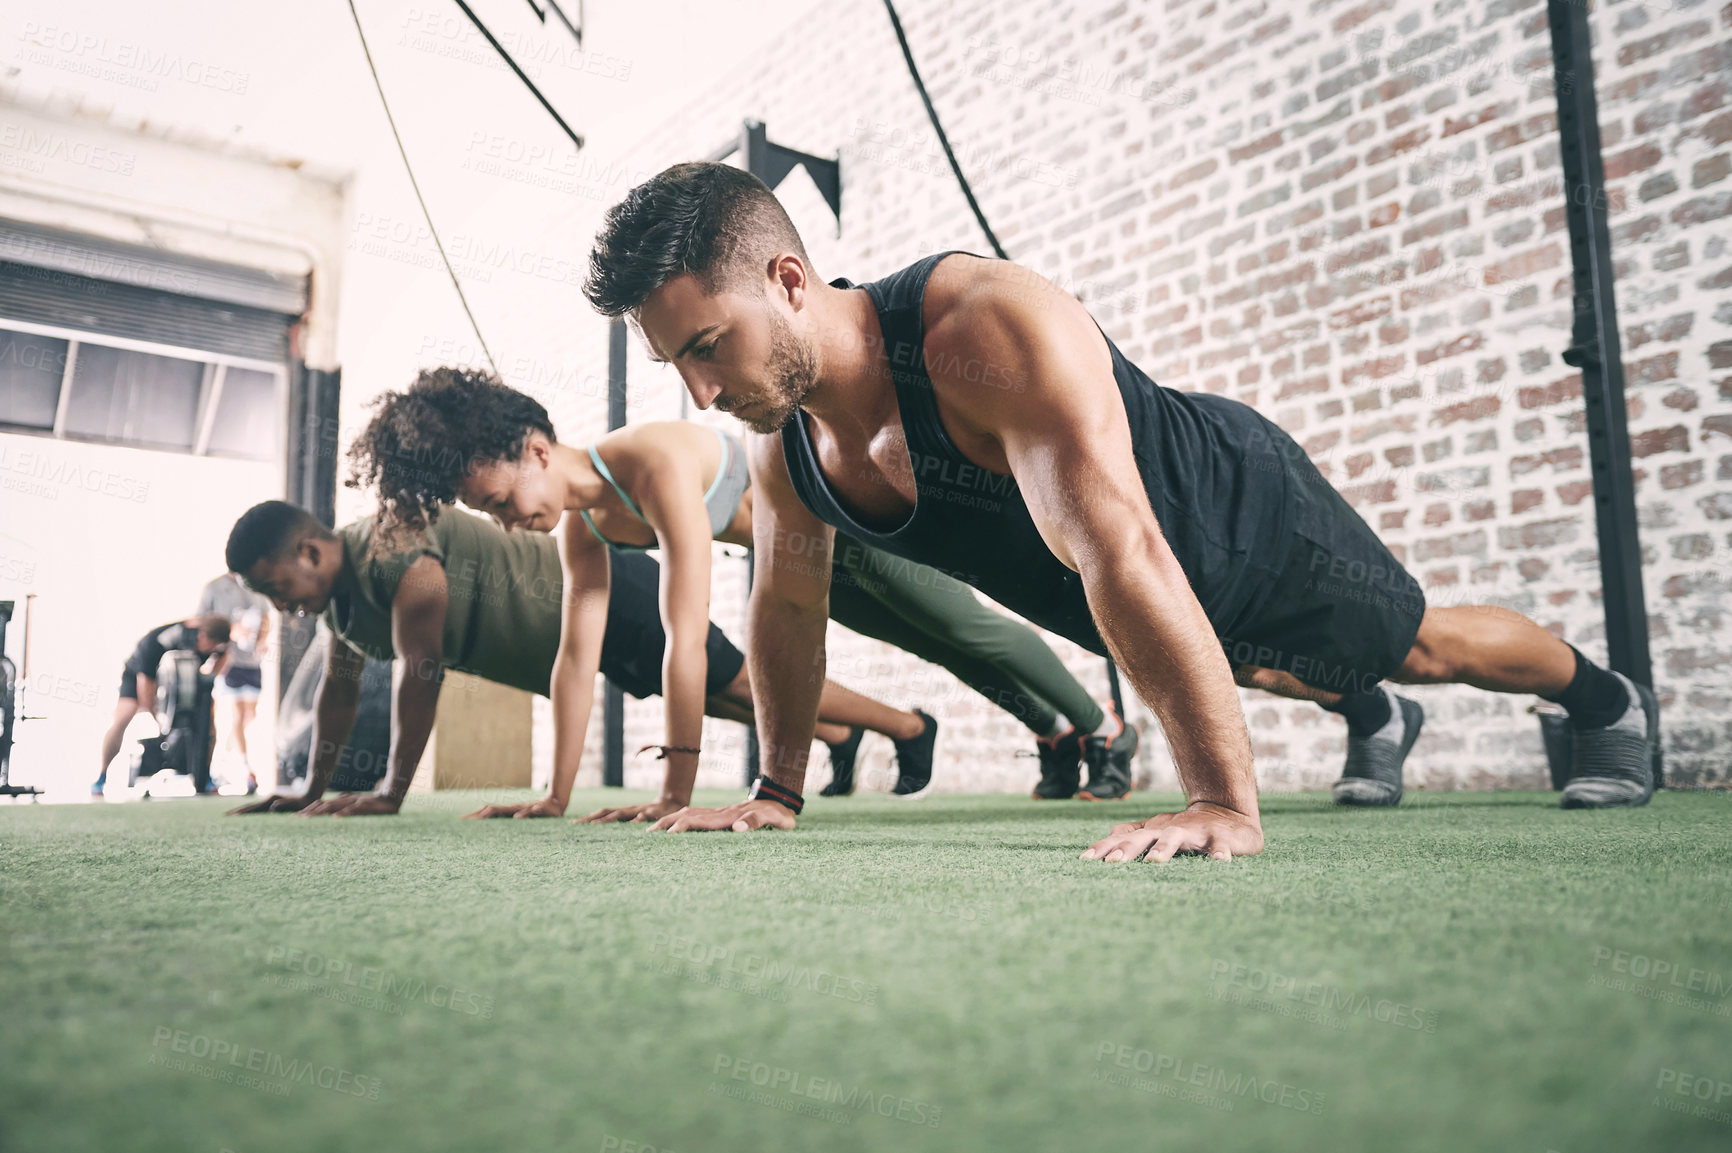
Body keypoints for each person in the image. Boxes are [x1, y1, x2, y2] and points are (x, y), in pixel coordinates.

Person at [575, 161, 1661, 858]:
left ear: (789, 280)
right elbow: (787, 611)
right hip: (1134, 588)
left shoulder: (979, 327)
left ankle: (1604, 700)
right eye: (679, 365)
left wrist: (1221, 804)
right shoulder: (789, 448)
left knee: (1410, 646)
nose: (703, 395)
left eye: (708, 346)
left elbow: (1120, 542)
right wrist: (774, 788)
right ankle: (1370, 720)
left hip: (1232, 506)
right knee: (1266, 671)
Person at [345, 367, 1131, 803]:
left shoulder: (646, 461)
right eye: (487, 513)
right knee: (942, 644)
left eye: (499, 501)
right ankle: (1056, 740)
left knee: (967, 627)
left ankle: (1103, 731)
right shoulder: (587, 529)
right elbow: (573, 663)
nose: (506, 522)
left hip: (842, 527)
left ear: (535, 450)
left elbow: (687, 639)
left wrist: (673, 791)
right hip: (800, 560)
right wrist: (554, 796)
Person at [220, 501, 931, 822]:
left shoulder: (395, 551)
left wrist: (390, 792)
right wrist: (313, 788)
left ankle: (907, 726)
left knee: (743, 680)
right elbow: (338, 696)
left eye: (279, 588)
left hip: (611, 595)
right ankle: (838, 736)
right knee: (723, 698)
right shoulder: (341, 606)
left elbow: (421, 671)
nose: (283, 607)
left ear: (309, 553)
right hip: (583, 633)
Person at [93, 615, 230, 795]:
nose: (211, 650)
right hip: (139, 674)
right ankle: (102, 777)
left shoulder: (217, 642)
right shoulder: (162, 641)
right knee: (123, 717)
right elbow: (145, 684)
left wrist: (208, 678)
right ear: (202, 634)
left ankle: (205, 776)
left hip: (183, 680)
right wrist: (157, 719)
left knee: (207, 723)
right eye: (210, 644)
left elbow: (225, 654)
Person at [197, 571, 273, 794]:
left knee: (250, 716)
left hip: (252, 663)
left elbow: (266, 617)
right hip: (229, 662)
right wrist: (230, 631)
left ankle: (230, 758)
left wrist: (263, 640)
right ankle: (245, 768)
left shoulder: (257, 585)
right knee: (237, 716)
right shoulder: (215, 587)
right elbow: (201, 620)